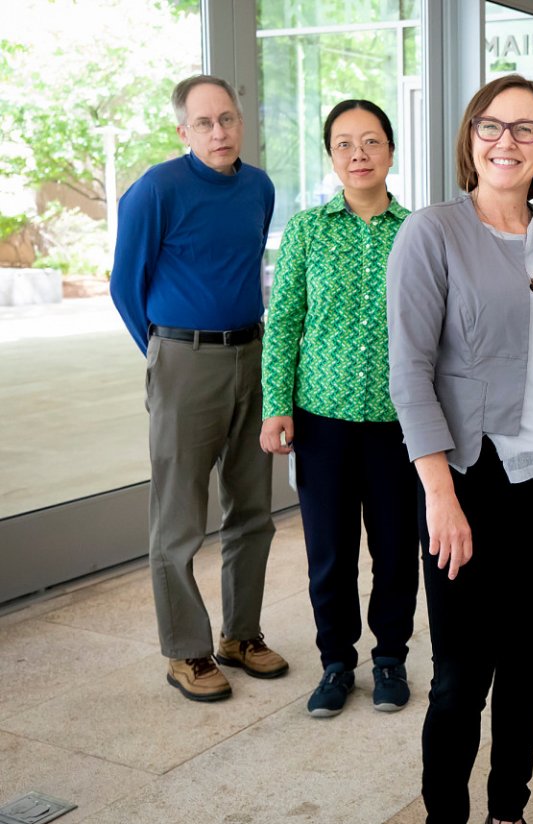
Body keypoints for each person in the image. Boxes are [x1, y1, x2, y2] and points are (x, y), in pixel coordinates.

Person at [387, 74, 533, 824]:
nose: (507, 142)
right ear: (470, 138)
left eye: (527, 129)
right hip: (473, 479)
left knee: (528, 659)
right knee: (460, 673)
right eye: (492, 126)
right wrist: (440, 496)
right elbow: (409, 371)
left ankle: (507, 811)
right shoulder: (433, 232)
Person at [111, 74, 288, 702]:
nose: (220, 132)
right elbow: (125, 287)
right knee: (180, 518)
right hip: (185, 359)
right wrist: (166, 356)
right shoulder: (157, 190)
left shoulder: (258, 187)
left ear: (241, 123)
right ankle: (186, 650)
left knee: (252, 511)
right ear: (182, 131)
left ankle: (241, 635)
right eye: (205, 123)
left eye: (229, 120)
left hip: (252, 352)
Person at [259, 99, 418, 718]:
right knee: (329, 548)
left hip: (399, 422)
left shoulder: (417, 230)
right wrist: (277, 406)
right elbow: (284, 324)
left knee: (397, 547)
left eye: (371, 142)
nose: (359, 155)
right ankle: (335, 662)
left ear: (390, 151)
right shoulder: (306, 230)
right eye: (345, 144)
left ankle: (390, 658)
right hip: (321, 418)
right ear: (331, 155)